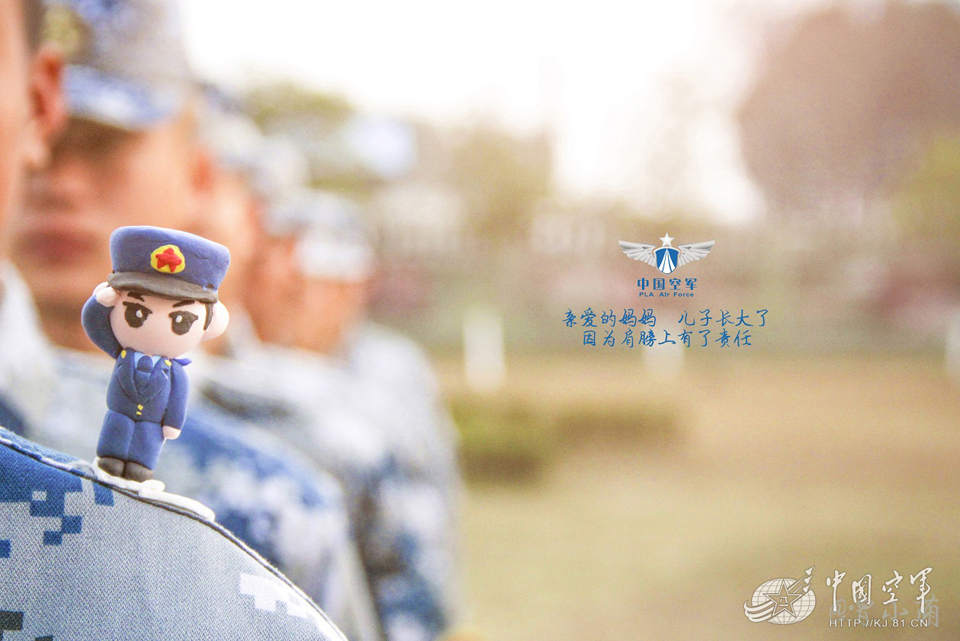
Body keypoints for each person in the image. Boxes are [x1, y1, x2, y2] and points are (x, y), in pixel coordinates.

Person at [11, 0, 367, 634]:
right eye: (49, 133)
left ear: (197, 176)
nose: (58, 182)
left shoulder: (281, 504)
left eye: (102, 145)